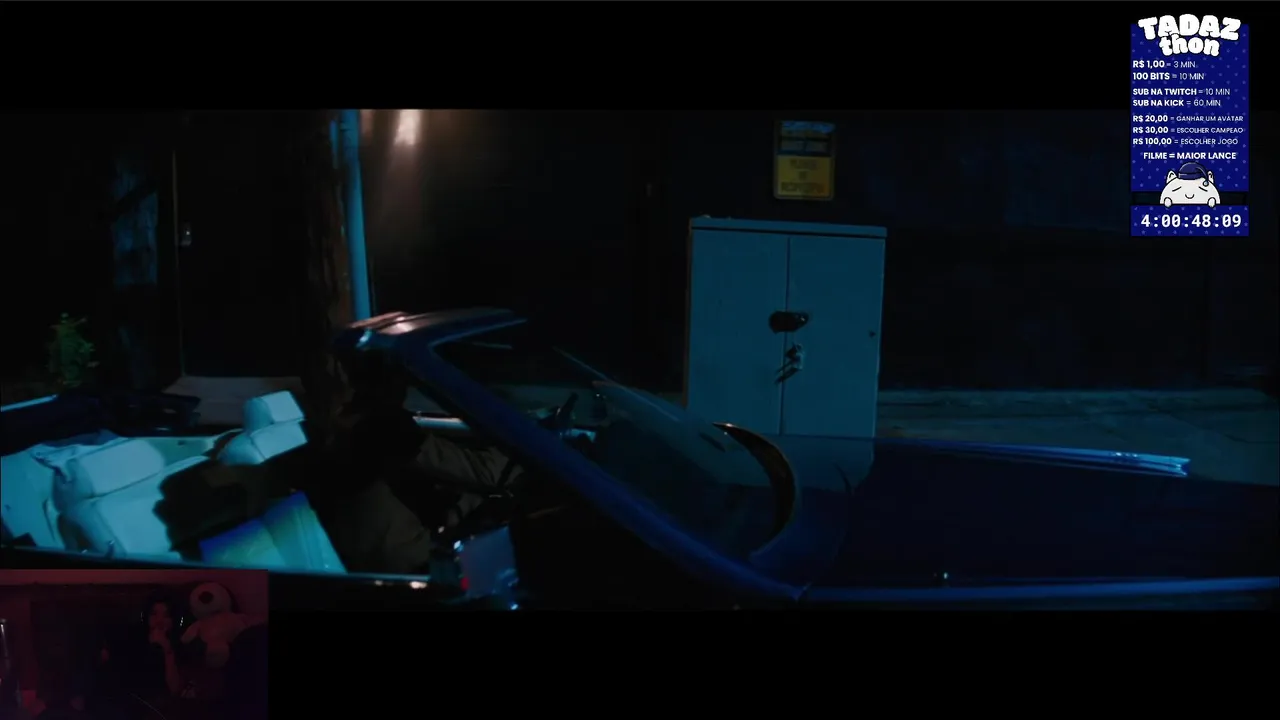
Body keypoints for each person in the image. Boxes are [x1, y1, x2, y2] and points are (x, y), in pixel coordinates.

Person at [310, 350, 523, 574]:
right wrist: (525, 441)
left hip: (373, 556)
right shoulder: (381, 427)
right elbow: (485, 473)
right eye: (399, 377)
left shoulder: (342, 425)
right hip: (408, 563)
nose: (404, 386)